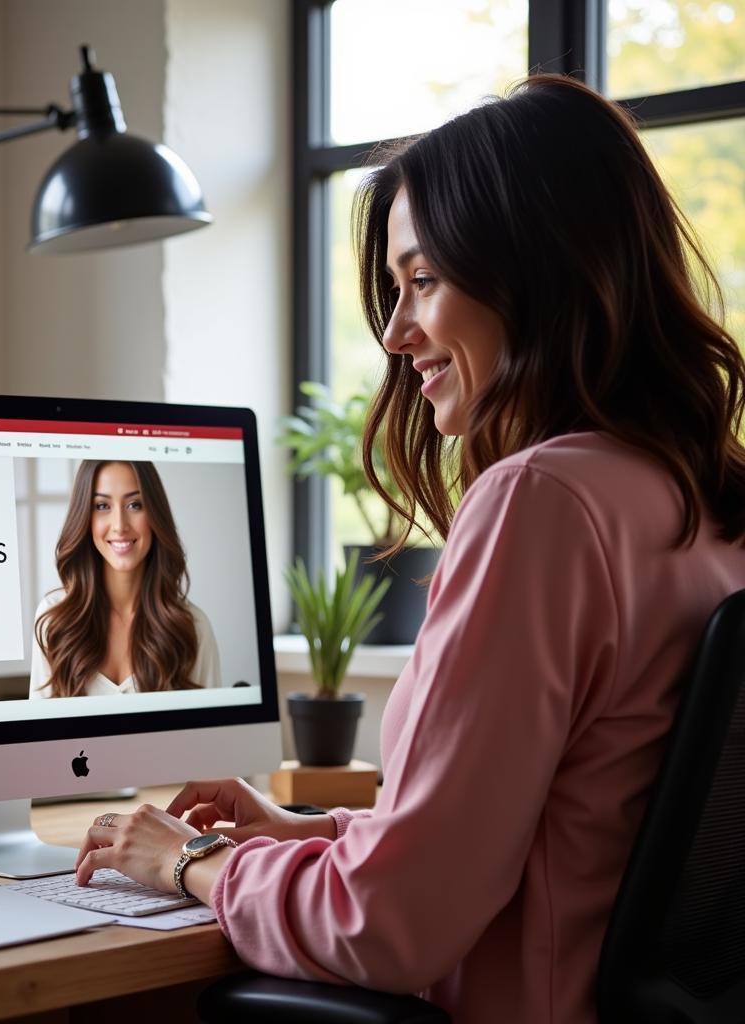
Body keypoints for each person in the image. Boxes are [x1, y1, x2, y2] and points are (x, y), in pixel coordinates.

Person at [71, 74, 745, 1022]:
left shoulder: (543, 502)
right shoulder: (700, 497)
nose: (394, 334)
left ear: (536, 269)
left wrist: (191, 863)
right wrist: (305, 833)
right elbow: (564, 833)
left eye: (422, 281)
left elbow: (389, 925)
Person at [29, 459, 221, 697]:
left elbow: (210, 733)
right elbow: (42, 732)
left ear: (155, 514)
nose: (119, 525)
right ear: (85, 517)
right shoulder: (55, 618)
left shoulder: (191, 626)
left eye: (134, 505)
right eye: (102, 506)